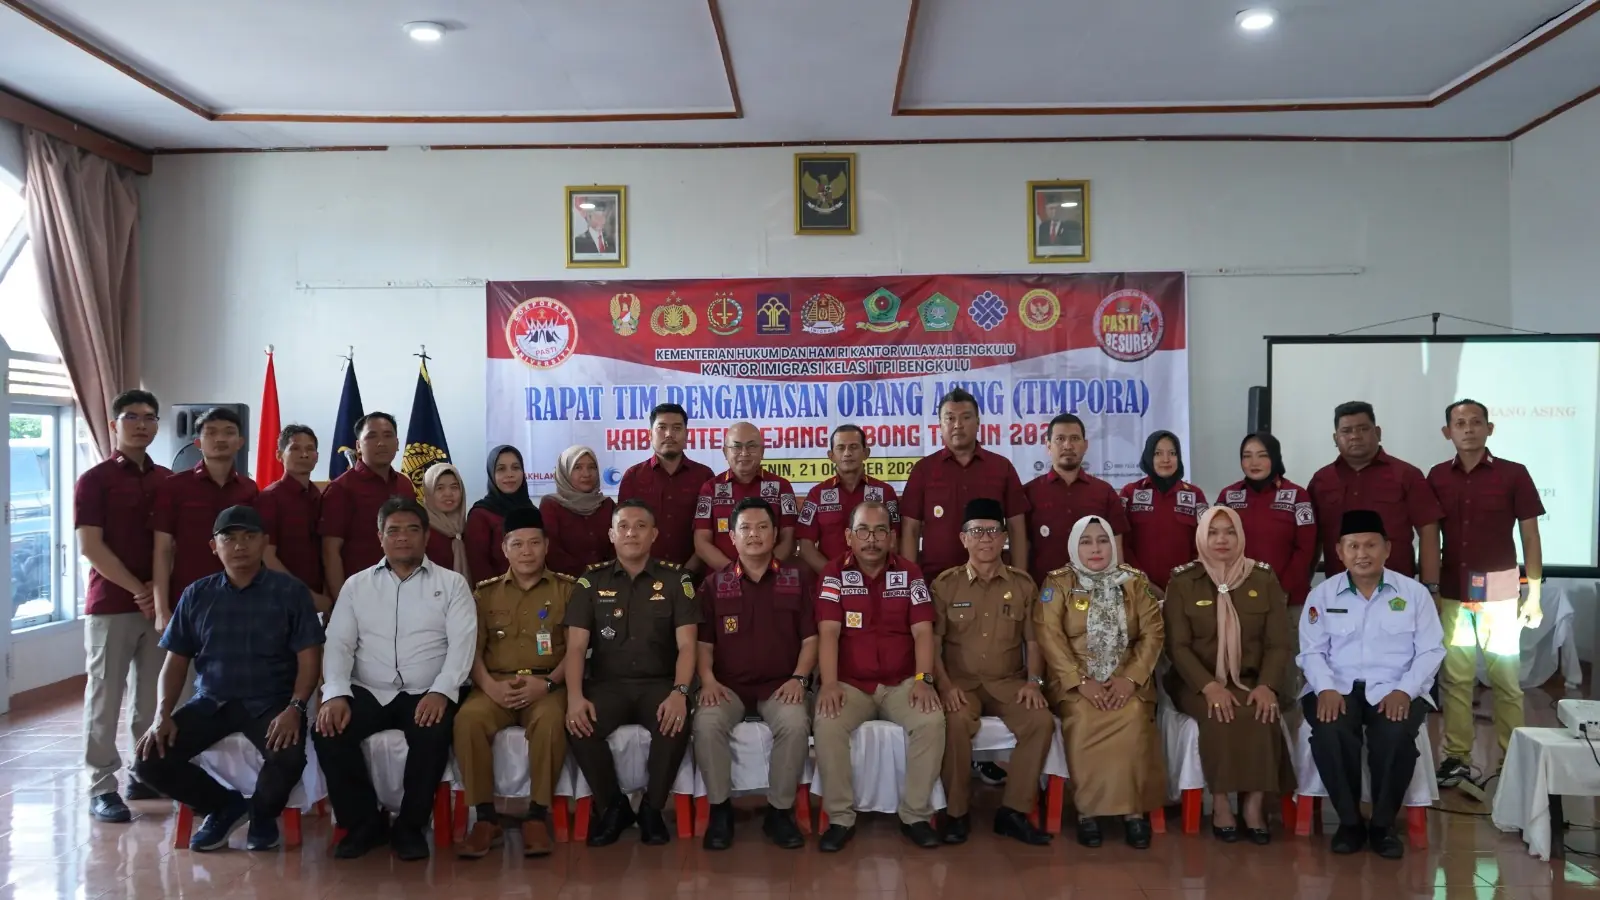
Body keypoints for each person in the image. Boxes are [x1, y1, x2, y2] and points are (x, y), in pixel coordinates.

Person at [132, 506, 323, 852]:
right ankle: (223, 806)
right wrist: (162, 714)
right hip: (211, 702)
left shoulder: (290, 592)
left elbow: (310, 656)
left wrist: (296, 707)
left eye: (249, 537)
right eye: (229, 538)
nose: (240, 546)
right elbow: (175, 663)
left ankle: (264, 816)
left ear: (264, 542)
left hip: (270, 702)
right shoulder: (197, 595)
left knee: (289, 755)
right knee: (148, 760)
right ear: (213, 546)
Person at [314, 496, 476, 861]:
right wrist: (336, 693)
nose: (403, 538)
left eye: (412, 530)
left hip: (427, 689)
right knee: (328, 729)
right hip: (369, 689)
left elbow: (463, 645)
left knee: (433, 733)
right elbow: (338, 642)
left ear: (426, 536)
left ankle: (410, 827)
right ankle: (364, 823)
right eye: (394, 531)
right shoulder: (357, 586)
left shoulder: (452, 584)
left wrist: (443, 691)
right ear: (380, 537)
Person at [1298, 509, 1445, 860]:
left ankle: (1382, 826)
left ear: (1388, 549)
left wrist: (1405, 691)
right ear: (1339, 551)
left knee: (1393, 735)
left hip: (1395, 687)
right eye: (1353, 546)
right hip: (1337, 687)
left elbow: (1431, 650)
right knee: (1331, 732)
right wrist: (1326, 688)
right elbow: (1311, 651)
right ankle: (1349, 823)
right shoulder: (1323, 595)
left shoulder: (1413, 594)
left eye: (1370, 545)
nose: (1362, 554)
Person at [563, 500, 700, 847]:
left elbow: (687, 646)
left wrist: (680, 693)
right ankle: (613, 806)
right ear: (611, 534)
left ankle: (653, 809)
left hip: (660, 684)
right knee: (580, 726)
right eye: (623, 526)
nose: (631, 533)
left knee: (675, 722)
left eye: (640, 526)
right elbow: (576, 648)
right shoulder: (590, 581)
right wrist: (575, 698)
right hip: (609, 685)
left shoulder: (676, 579)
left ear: (654, 535)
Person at [813, 500, 945, 853]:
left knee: (931, 721)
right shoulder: (833, 574)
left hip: (902, 683)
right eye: (863, 531)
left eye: (879, 531)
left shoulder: (910, 573)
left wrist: (923, 679)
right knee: (827, 722)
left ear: (892, 536)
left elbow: (922, 632)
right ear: (849, 536)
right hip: (850, 685)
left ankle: (915, 815)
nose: (871, 539)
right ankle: (840, 818)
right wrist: (827, 684)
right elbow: (828, 633)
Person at [1427, 400, 1544, 788]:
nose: (1468, 429)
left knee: (1506, 681)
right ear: (1448, 432)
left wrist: (1535, 593)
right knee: (1456, 680)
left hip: (1499, 591)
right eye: (1459, 423)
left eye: (1476, 422)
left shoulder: (1513, 474)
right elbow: (1428, 537)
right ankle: (1457, 757)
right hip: (1453, 592)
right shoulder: (1437, 476)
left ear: (1489, 429)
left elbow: (1530, 535)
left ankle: (1514, 757)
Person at [1163, 506, 1294, 845]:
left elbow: (1278, 643)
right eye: (1213, 532)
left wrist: (1267, 685)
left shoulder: (1262, 578)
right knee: (1219, 712)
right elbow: (1177, 647)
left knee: (1261, 712)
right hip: (1195, 681)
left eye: (1230, 532)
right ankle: (1221, 803)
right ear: (1201, 537)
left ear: (1241, 536)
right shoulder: (1183, 581)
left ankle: (1253, 805)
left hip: (1252, 678)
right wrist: (1208, 687)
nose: (1221, 539)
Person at [693, 497, 816, 851]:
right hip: (727, 686)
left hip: (782, 685)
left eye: (763, 527)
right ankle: (720, 810)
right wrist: (709, 680)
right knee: (707, 722)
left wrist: (800, 679)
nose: (754, 535)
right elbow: (703, 646)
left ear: (776, 534)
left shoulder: (796, 579)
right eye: (745, 528)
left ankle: (780, 813)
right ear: (731, 536)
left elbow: (811, 640)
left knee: (794, 724)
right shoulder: (715, 585)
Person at [1035, 515, 1165, 850]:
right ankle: (1087, 814)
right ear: (1074, 546)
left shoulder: (1135, 582)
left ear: (1113, 543)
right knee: (1084, 717)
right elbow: (1049, 636)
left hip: (1127, 680)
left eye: (1102, 540)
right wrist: (1081, 682)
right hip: (1075, 683)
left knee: (1134, 716)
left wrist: (1129, 679)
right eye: (1087, 541)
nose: (1096, 549)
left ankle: (1133, 813)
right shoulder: (1058, 582)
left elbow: (1153, 634)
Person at [453, 507, 575, 859]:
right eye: (517, 544)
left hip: (548, 685)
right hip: (495, 685)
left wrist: (549, 685)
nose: (526, 551)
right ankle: (486, 818)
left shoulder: (567, 590)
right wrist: (489, 686)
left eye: (534, 543)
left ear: (546, 546)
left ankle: (537, 815)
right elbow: (471, 652)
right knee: (468, 720)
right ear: (504, 548)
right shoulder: (485, 594)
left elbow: (579, 649)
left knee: (551, 722)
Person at [931, 498, 1053, 847]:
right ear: (963, 539)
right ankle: (955, 812)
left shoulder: (1024, 585)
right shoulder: (945, 585)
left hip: (1010, 684)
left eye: (993, 531)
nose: (986, 539)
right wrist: (945, 685)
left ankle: (1012, 812)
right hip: (961, 686)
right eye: (977, 532)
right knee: (953, 722)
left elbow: (1035, 641)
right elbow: (932, 643)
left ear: (1004, 539)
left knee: (1041, 721)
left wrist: (1035, 682)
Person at [77, 390, 172, 822]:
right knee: (105, 697)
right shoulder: (94, 480)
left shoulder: (168, 480)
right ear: (115, 425)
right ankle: (102, 786)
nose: (141, 424)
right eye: (131, 417)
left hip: (158, 607)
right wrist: (140, 588)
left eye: (149, 417)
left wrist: (158, 591)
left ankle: (145, 771)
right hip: (112, 605)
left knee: (151, 701)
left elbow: (171, 545)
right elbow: (91, 546)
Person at [1218, 432, 1317, 727]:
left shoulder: (1298, 496)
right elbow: (1218, 545)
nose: (1254, 462)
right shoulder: (1228, 496)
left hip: (1287, 600)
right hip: (1237, 599)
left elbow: (1306, 548)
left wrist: (1278, 591)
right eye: (1247, 455)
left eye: (1261, 454)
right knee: (1243, 671)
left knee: (1284, 674)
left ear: (1274, 457)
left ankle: (1290, 741)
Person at [1308, 402, 1443, 591]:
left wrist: (1430, 586)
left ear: (1378, 433)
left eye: (1363, 429)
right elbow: (1312, 538)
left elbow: (1428, 529)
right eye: (1346, 431)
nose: (1355, 436)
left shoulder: (1406, 474)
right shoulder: (1322, 480)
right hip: (1338, 592)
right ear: (1335, 438)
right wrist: (1304, 582)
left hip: (1398, 591)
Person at [901, 388, 1030, 580]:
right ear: (940, 425)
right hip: (935, 582)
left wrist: (1020, 580)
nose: (958, 425)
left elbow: (1016, 528)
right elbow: (910, 531)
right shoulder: (923, 470)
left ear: (978, 422)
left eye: (966, 417)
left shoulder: (1001, 467)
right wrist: (910, 584)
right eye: (950, 418)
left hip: (992, 581)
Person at [152, 406, 259, 631]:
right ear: (198, 443)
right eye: (211, 432)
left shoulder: (249, 489)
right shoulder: (174, 487)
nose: (220, 438)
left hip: (240, 598)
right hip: (187, 598)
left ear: (240, 442)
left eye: (228, 432)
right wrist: (161, 610)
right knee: (185, 666)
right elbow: (162, 549)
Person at [319, 412, 414, 601]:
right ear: (358, 446)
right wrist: (342, 602)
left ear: (397, 443)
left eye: (388, 436)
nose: (381, 443)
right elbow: (330, 550)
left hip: (405, 591)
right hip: (361, 595)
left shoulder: (404, 484)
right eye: (372, 436)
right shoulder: (341, 488)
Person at [1024, 413, 1128, 583]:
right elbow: (1023, 546)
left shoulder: (1104, 492)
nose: (1068, 445)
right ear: (1048, 446)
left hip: (1096, 596)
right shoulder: (1029, 492)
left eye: (1074, 438)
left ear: (1085, 445)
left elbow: (1117, 553)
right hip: (1044, 595)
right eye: (1060, 439)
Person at [618, 403, 716, 568]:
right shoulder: (633, 477)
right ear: (650, 434)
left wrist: (689, 572)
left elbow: (710, 531)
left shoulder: (704, 476)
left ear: (686, 434)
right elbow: (624, 530)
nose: (669, 434)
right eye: (662, 428)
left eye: (677, 428)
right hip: (644, 576)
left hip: (695, 576)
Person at [796, 424, 900, 573]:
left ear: (866, 453)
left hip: (877, 580)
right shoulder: (817, 495)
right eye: (840, 448)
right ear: (831, 456)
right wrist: (834, 576)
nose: (847, 453)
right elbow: (806, 547)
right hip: (831, 581)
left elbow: (894, 542)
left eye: (854, 447)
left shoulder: (885, 493)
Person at [695, 422, 799, 569]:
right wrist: (734, 573)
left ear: (762, 451)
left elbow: (789, 540)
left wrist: (763, 572)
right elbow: (702, 543)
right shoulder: (710, 488)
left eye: (751, 446)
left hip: (772, 579)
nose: (744, 453)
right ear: (725, 452)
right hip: (722, 580)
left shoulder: (782, 487)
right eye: (736, 447)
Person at [1118, 430, 1207, 593]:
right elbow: (1122, 544)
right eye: (1158, 453)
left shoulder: (1195, 495)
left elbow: (1203, 544)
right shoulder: (1130, 493)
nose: (1166, 460)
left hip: (1185, 589)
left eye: (1172, 453)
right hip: (1138, 589)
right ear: (1149, 457)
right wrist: (1143, 581)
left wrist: (1184, 581)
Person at [256, 424, 330, 614]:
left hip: (320, 601)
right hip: (281, 601)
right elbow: (266, 556)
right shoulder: (269, 498)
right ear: (279, 456)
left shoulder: (321, 497)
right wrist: (308, 597)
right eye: (295, 448)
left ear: (317, 456)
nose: (304, 454)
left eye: (310, 449)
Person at [541, 445, 617, 577]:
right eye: (577, 467)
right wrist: (588, 577)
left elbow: (617, 547)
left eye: (592, 467)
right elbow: (552, 552)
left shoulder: (607, 505)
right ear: (565, 471)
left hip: (607, 582)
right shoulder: (551, 506)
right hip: (566, 585)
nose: (586, 474)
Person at [467, 445, 534, 584]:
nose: (510, 474)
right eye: (501, 469)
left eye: (515, 468)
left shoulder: (532, 511)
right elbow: (479, 567)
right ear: (492, 474)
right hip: (497, 598)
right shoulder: (480, 515)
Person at [420, 463, 472, 579]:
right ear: (428, 492)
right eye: (440, 488)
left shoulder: (468, 528)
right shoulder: (421, 531)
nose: (448, 493)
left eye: (454, 487)